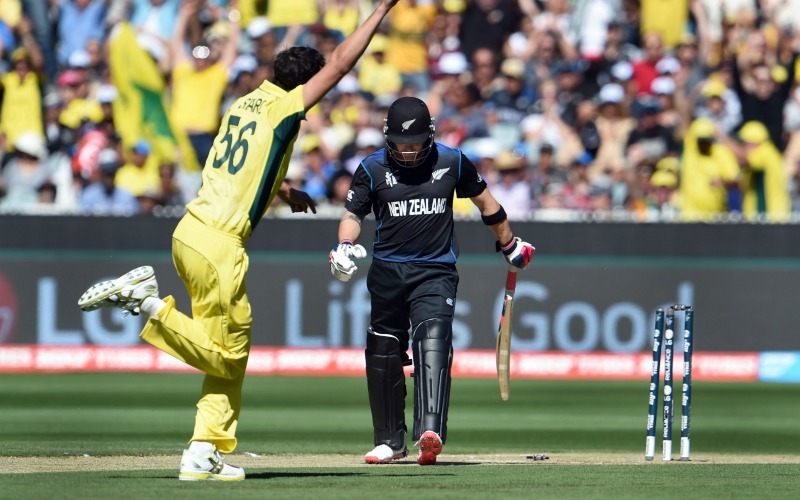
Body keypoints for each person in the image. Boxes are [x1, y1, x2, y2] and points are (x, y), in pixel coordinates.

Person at [76, 0, 400, 482]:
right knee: (227, 354)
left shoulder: (243, 103)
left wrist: (285, 190)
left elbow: (240, 165)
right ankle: (147, 303)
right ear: (301, 86)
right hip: (220, 244)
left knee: (228, 357)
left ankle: (202, 451)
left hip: (190, 232)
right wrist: (382, 9)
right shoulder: (288, 106)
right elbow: (341, 63)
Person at [328, 96, 535, 466]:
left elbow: (487, 204)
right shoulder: (372, 168)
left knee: (433, 337)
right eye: (402, 144)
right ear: (388, 137)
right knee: (383, 350)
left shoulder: (452, 161)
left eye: (416, 143)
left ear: (430, 136)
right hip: (387, 272)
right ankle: (389, 442)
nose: (409, 152)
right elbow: (352, 214)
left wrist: (509, 243)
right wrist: (344, 245)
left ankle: (430, 432)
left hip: (435, 270)